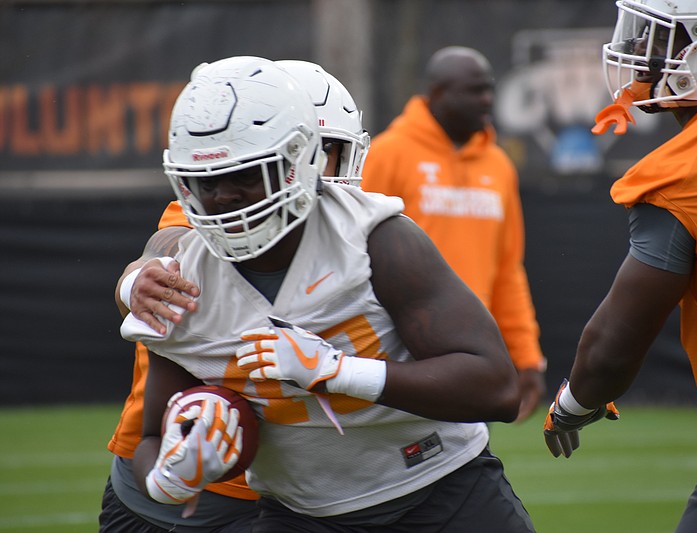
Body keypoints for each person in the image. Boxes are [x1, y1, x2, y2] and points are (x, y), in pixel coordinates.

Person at [120, 56, 535, 532]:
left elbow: (497, 389)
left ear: (298, 161)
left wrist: (337, 371)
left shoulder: (376, 238)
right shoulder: (183, 281)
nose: (223, 196)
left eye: (247, 174)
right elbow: (152, 437)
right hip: (304, 514)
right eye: (205, 181)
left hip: (441, 491)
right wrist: (168, 477)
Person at [542, 1, 697, 531]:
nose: (640, 52)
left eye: (665, 39)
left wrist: (575, 401)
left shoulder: (688, 171)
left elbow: (617, 340)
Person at [100, 60, 371, 532]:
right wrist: (135, 281)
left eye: (326, 150)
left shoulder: (364, 230)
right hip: (166, 458)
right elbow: (159, 258)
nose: (316, 166)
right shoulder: (219, 212)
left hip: (294, 489)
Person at [360, 46, 546, 422]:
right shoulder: (387, 154)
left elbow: (508, 269)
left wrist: (526, 356)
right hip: (397, 350)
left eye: (490, 89)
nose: (487, 100)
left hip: (470, 355)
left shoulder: (499, 166)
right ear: (439, 94)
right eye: (475, 90)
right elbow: (350, 251)